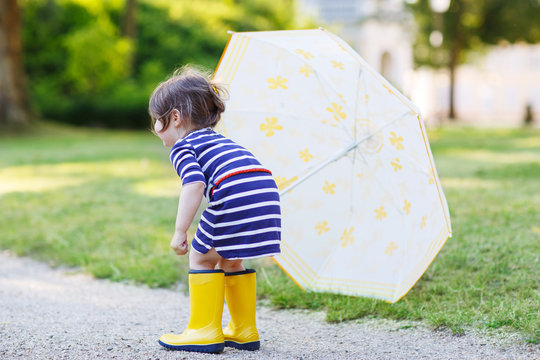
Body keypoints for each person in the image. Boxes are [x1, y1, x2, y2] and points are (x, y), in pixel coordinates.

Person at [149, 65, 281, 353]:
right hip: (265, 197)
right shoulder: (223, 141)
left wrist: (180, 231)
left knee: (200, 256)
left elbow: (194, 186)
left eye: (156, 121)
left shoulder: (184, 147)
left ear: (174, 118)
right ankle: (244, 330)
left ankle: (204, 330)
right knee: (230, 259)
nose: (155, 129)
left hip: (235, 197)